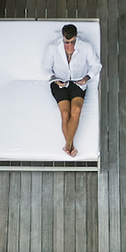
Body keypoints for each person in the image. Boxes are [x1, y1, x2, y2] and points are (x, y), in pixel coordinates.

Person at [42, 24, 100, 157]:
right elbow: (45, 67)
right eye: (66, 42)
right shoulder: (52, 47)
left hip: (78, 82)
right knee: (65, 113)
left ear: (76, 37)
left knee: (77, 110)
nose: (69, 45)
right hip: (59, 82)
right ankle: (70, 144)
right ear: (62, 37)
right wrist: (54, 79)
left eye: (72, 42)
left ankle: (68, 145)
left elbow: (96, 65)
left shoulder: (86, 46)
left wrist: (86, 78)